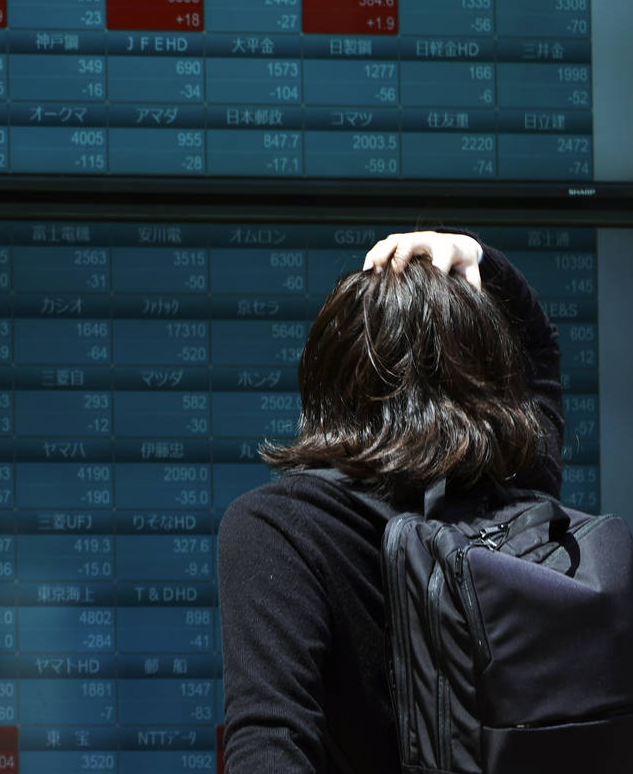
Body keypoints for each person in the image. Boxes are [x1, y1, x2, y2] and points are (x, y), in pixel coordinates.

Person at [217, 230, 565, 773]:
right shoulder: (520, 509)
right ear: (490, 377)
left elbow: (270, 742)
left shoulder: (281, 528)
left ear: (331, 369)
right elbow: (542, 353)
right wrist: (474, 255)